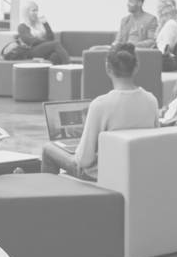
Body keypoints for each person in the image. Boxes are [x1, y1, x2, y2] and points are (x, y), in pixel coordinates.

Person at [40, 44, 157, 181]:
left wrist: (77, 153)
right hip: (136, 170)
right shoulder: (151, 100)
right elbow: (153, 143)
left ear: (108, 68)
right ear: (136, 67)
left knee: (49, 149)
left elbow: (84, 160)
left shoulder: (100, 105)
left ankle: (47, 196)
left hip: (101, 174)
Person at [155, 0, 177, 71]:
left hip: (163, 60)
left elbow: (166, 48)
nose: (158, 10)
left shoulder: (171, 24)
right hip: (159, 57)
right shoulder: (165, 25)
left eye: (160, 7)